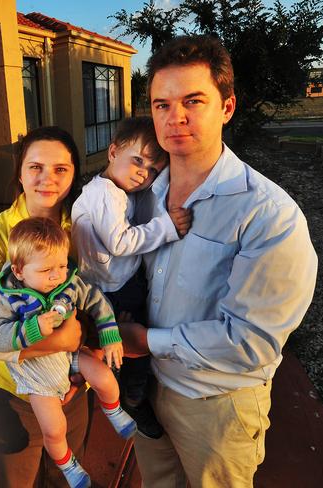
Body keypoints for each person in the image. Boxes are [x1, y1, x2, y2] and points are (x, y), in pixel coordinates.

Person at [118, 35, 319, 487]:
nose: (175, 117)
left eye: (193, 100)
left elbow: (252, 341)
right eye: (161, 104)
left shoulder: (268, 214)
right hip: (145, 387)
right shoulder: (141, 197)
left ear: (227, 107)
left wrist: (145, 339)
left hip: (214, 404)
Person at [0, 126, 90, 487]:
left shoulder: (83, 231)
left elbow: (97, 301)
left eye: (60, 169)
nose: (47, 179)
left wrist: (83, 359)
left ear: (74, 174)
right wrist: (61, 342)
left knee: (65, 478)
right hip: (12, 394)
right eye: (36, 167)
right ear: (19, 173)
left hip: (72, 387)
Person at [0, 217, 136, 488]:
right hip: (38, 380)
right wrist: (31, 330)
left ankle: (113, 410)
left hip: (71, 359)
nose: (57, 276)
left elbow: (96, 299)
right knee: (54, 431)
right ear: (19, 272)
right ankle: (68, 464)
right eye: (46, 270)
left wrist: (109, 334)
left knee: (105, 379)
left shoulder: (68, 285)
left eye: (63, 266)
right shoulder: (7, 299)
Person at [71, 116, 192, 440]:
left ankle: (127, 389)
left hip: (121, 281)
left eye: (152, 169)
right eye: (138, 161)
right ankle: (131, 399)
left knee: (130, 340)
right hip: (108, 290)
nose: (144, 173)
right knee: (126, 347)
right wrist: (167, 227)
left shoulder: (124, 190)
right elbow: (120, 242)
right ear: (113, 152)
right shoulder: (104, 194)